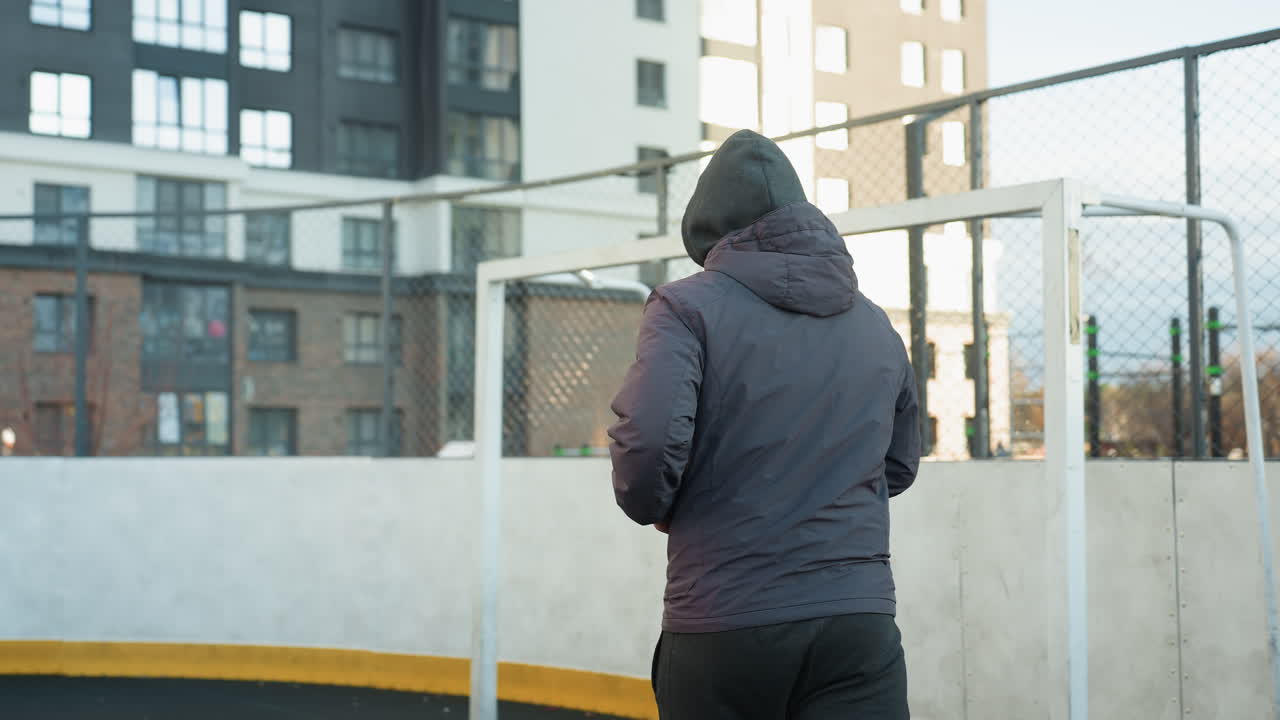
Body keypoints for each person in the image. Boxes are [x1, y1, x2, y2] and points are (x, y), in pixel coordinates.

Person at [608, 129, 920, 720]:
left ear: (708, 230)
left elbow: (647, 451)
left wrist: (661, 505)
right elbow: (898, 465)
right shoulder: (875, 324)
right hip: (858, 624)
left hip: (725, 619)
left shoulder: (685, 308)